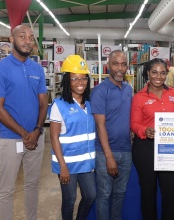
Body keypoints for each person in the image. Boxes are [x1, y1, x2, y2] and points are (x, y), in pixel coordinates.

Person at [0, 25, 48, 220]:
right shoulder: (0, 69)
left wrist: (37, 130)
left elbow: (43, 102)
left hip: (36, 138)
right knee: (7, 189)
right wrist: (25, 134)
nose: (27, 41)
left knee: (32, 185)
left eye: (31, 38)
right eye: (22, 36)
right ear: (12, 39)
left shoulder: (37, 69)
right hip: (11, 139)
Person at [130, 58, 174, 220]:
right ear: (147, 73)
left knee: (171, 191)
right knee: (148, 191)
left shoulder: (173, 94)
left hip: (168, 147)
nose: (158, 76)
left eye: (163, 73)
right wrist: (145, 130)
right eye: (154, 72)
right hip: (146, 147)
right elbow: (134, 124)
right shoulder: (139, 97)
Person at [49, 55, 96, 220]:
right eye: (75, 78)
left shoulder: (90, 103)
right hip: (67, 163)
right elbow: (54, 137)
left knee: (91, 196)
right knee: (69, 200)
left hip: (86, 163)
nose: (80, 82)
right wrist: (63, 167)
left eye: (83, 78)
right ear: (67, 81)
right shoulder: (59, 105)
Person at [90, 50, 132, 220]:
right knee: (105, 194)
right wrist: (109, 157)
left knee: (120, 194)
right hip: (105, 152)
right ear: (108, 66)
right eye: (116, 64)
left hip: (126, 151)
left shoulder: (129, 89)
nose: (119, 68)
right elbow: (100, 126)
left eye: (123, 64)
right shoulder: (100, 91)